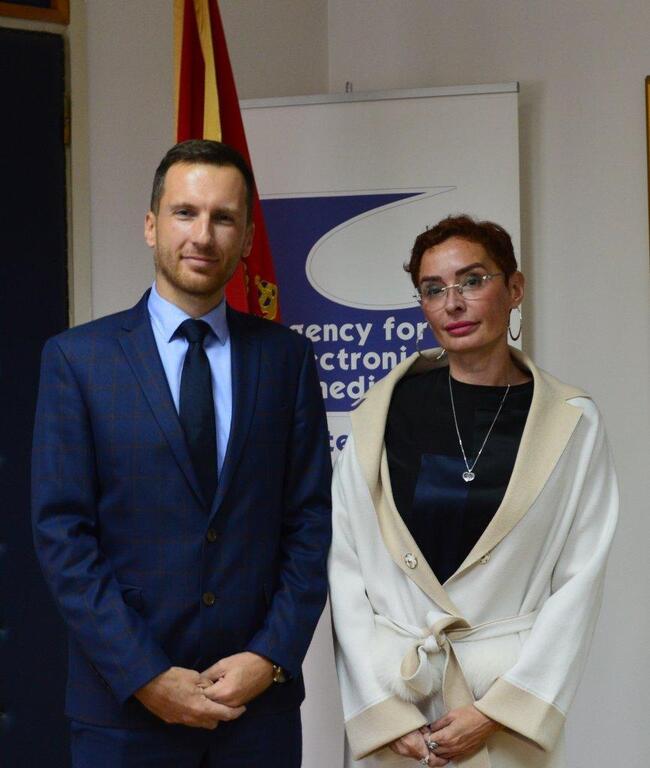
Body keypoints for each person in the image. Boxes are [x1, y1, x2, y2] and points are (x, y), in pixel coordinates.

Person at [31, 139, 332, 768]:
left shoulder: (287, 359)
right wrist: (144, 674)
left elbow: (310, 523)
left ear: (247, 238)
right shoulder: (78, 361)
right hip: (123, 713)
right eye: (185, 213)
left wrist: (271, 656)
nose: (202, 235)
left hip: (256, 714)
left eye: (223, 218)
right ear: (151, 225)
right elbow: (63, 535)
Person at [328, 215, 618, 767]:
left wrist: (500, 711)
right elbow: (345, 570)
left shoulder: (571, 423)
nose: (453, 303)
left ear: (515, 289)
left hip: (505, 714)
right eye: (433, 289)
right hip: (402, 710)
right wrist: (385, 714)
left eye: (473, 281)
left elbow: (580, 579)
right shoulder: (379, 416)